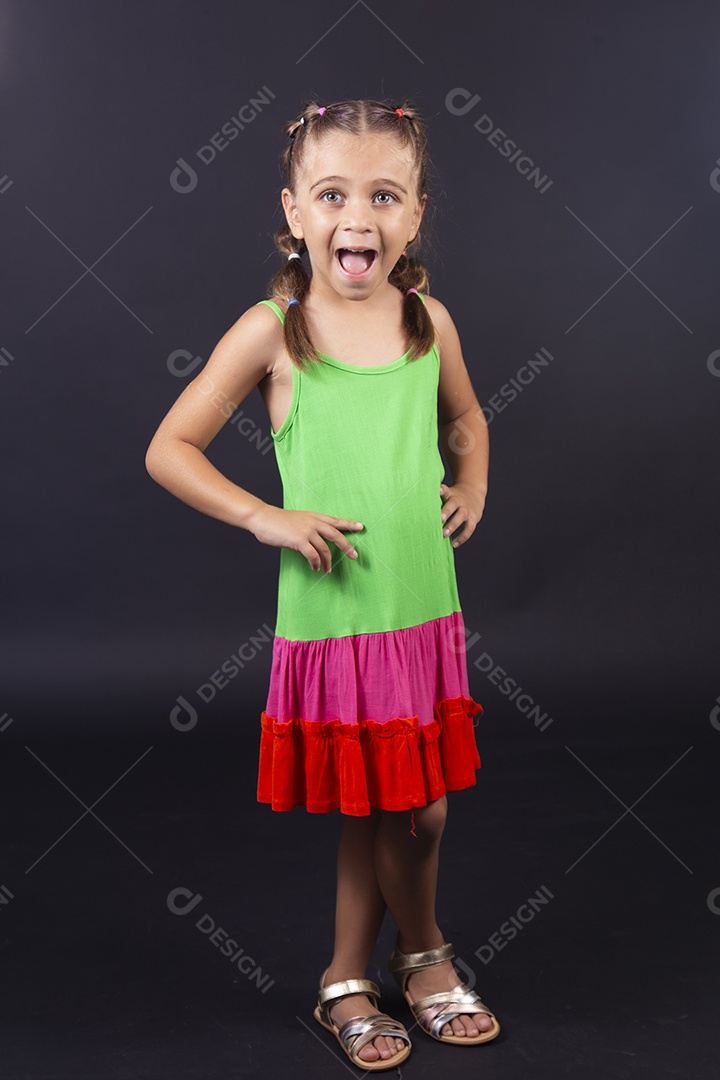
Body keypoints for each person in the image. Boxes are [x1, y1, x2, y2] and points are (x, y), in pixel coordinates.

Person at [145, 97, 500, 1070]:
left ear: (416, 214)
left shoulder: (430, 320)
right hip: (340, 620)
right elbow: (170, 448)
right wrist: (266, 515)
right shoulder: (274, 330)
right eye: (334, 193)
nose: (360, 217)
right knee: (404, 806)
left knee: (391, 803)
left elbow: (468, 418)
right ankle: (423, 956)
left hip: (421, 612)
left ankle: (347, 975)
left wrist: (468, 482)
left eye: (384, 195)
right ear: (294, 212)